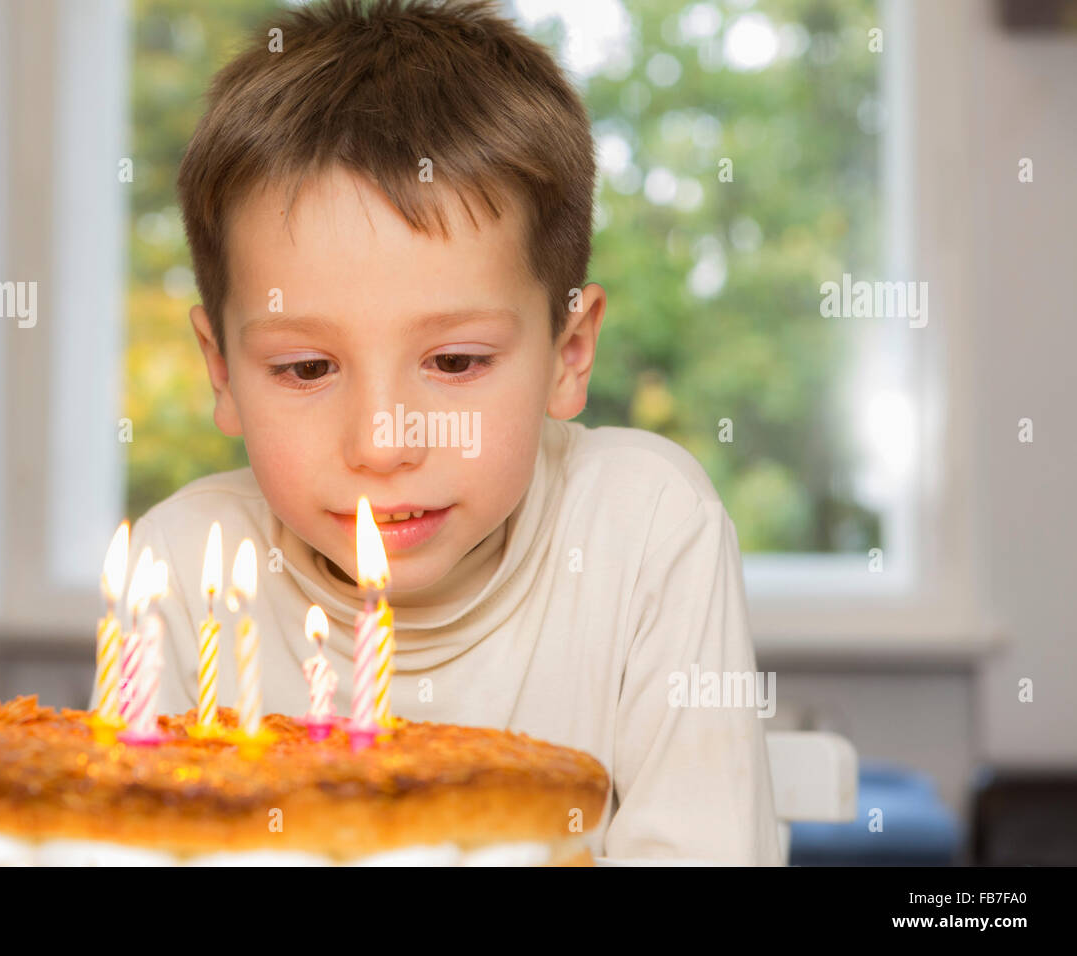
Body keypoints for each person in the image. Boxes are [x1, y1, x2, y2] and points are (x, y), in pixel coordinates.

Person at [100, 0, 780, 864]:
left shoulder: (645, 530)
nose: (382, 445)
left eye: (455, 363)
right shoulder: (179, 573)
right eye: (307, 369)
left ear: (568, 353)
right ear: (222, 369)